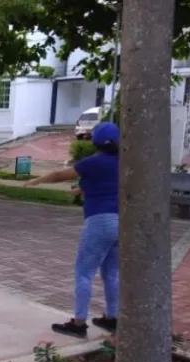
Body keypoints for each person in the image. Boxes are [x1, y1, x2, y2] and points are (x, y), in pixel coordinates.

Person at [24, 122, 120, 338]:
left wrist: (37, 180)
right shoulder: (122, 163)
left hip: (99, 220)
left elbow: (60, 175)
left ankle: (78, 322)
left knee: (84, 272)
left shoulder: (93, 163)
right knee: (111, 272)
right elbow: (104, 184)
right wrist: (79, 190)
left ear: (95, 141)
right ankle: (112, 318)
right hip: (121, 222)